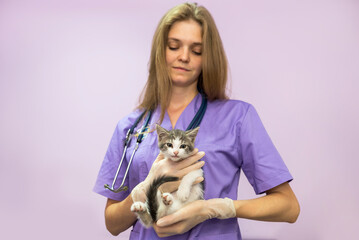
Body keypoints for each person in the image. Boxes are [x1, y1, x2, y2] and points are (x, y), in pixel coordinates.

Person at [93, 3, 300, 240]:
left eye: (197, 50)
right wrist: (144, 192)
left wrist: (216, 208)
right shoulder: (130, 127)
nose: (184, 57)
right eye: (174, 46)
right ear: (161, 51)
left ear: (207, 58)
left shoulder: (238, 118)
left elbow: (289, 207)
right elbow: (112, 223)